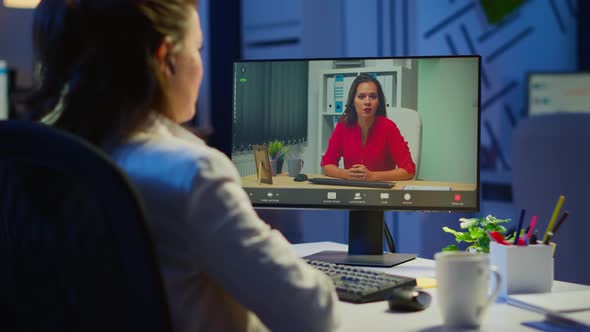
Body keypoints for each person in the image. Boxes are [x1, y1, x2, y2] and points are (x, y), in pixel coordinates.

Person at [28, 1, 340, 331]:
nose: (201, 64)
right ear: (166, 58)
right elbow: (313, 315)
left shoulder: (38, 159)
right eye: (197, 48)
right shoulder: (191, 174)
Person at [320, 73, 416, 181]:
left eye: (373, 97)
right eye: (361, 97)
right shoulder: (343, 126)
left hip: (382, 191)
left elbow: (409, 170)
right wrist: (346, 174)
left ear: (379, 102)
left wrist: (372, 176)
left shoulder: (388, 127)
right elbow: (327, 164)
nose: (367, 102)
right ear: (352, 101)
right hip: (352, 190)